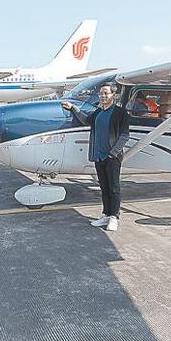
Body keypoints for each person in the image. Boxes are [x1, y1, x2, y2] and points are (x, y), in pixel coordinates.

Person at [62, 83, 130, 231]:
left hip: (112, 157)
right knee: (104, 187)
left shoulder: (120, 113)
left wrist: (113, 153)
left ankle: (114, 217)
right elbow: (86, 120)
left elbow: (125, 135)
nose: (103, 96)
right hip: (98, 156)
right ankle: (106, 214)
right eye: (101, 93)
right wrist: (73, 108)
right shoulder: (98, 112)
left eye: (106, 93)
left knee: (114, 188)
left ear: (114, 95)